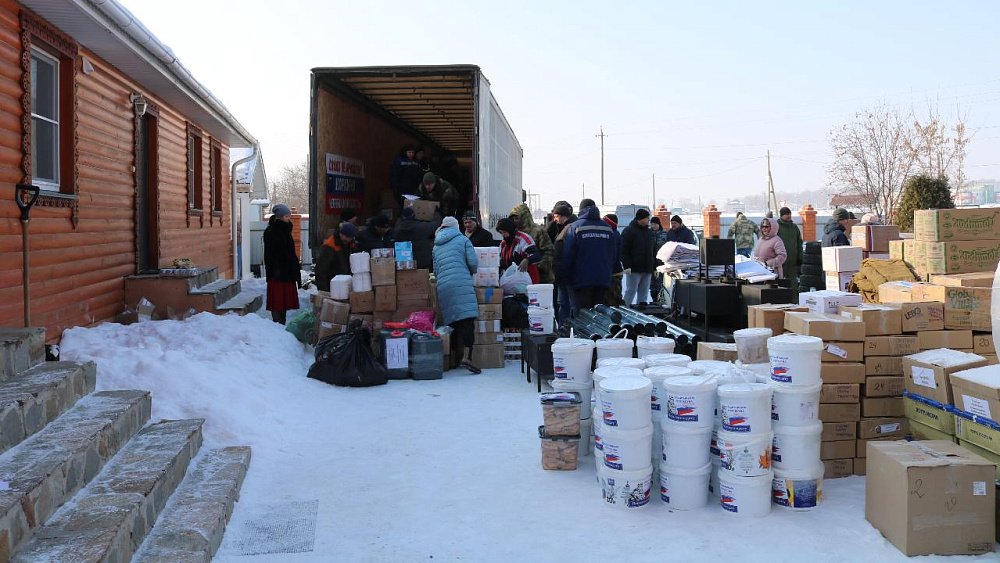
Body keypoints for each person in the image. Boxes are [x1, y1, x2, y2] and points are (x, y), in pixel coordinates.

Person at [432, 216, 481, 374]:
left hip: (444, 286)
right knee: (466, 321)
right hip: (461, 282)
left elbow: (436, 270)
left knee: (451, 323)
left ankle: (451, 359)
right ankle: (467, 357)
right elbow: (473, 263)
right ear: (456, 227)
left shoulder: (436, 246)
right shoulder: (463, 240)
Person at [560, 198, 622, 314]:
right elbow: (613, 254)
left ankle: (582, 332)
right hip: (602, 279)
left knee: (582, 315)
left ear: (581, 210)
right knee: (599, 314)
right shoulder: (607, 228)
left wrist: (565, 276)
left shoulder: (575, 227)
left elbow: (568, 255)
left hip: (581, 280)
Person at [262, 204, 300, 324]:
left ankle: (281, 323)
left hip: (287, 271)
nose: (289, 218)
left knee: (284, 301)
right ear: (279, 217)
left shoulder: (286, 230)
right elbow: (270, 254)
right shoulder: (271, 231)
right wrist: (275, 269)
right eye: (286, 216)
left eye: (289, 216)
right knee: (277, 301)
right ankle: (277, 324)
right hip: (277, 272)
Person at [510, 203, 555, 283]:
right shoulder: (515, 233)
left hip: (542, 277)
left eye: (517, 218)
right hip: (523, 276)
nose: (515, 221)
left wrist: (538, 267)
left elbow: (549, 251)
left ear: (524, 217)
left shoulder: (538, 231)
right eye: (513, 219)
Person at [621, 208, 655, 305]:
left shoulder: (649, 232)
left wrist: (654, 266)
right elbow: (624, 250)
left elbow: (653, 250)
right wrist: (626, 265)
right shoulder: (629, 231)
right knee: (631, 291)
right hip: (634, 268)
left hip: (647, 267)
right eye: (647, 218)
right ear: (641, 219)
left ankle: (642, 311)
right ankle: (626, 309)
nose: (649, 220)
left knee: (644, 292)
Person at [550, 202, 577, 323]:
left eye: (556, 216)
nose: (555, 220)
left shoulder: (570, 228)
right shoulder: (562, 228)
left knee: (570, 304)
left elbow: (566, 253)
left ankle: (570, 330)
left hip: (568, 274)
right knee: (563, 303)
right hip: (561, 274)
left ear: (562, 216)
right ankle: (564, 329)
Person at [495, 217, 542, 284]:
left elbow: (537, 255)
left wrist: (527, 260)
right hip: (513, 280)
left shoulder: (523, 238)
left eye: (505, 232)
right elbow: (500, 259)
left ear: (510, 230)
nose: (503, 235)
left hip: (528, 278)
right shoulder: (503, 244)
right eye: (501, 232)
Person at [313, 222, 356, 291]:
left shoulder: (351, 244)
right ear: (341, 233)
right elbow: (320, 271)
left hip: (346, 283)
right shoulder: (329, 246)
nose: (348, 239)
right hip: (332, 285)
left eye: (350, 238)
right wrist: (324, 291)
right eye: (346, 237)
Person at [777, 207, 803, 294]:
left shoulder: (794, 227)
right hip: (780, 263)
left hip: (792, 262)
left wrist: (800, 257)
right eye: (786, 214)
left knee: (793, 285)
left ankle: (795, 302)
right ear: (781, 215)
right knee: (781, 285)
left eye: (789, 214)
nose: (789, 216)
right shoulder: (776, 227)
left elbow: (799, 243)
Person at [602, 214, 625, 306]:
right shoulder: (616, 233)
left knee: (612, 299)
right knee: (615, 296)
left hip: (612, 272)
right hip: (616, 270)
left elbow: (613, 255)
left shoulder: (612, 234)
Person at [650, 216, 669, 303]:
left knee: (660, 283)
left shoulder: (664, 234)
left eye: (655, 224)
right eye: (652, 224)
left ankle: (660, 300)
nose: (653, 226)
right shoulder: (648, 234)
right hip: (651, 262)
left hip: (661, 262)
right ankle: (654, 300)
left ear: (659, 224)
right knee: (652, 284)